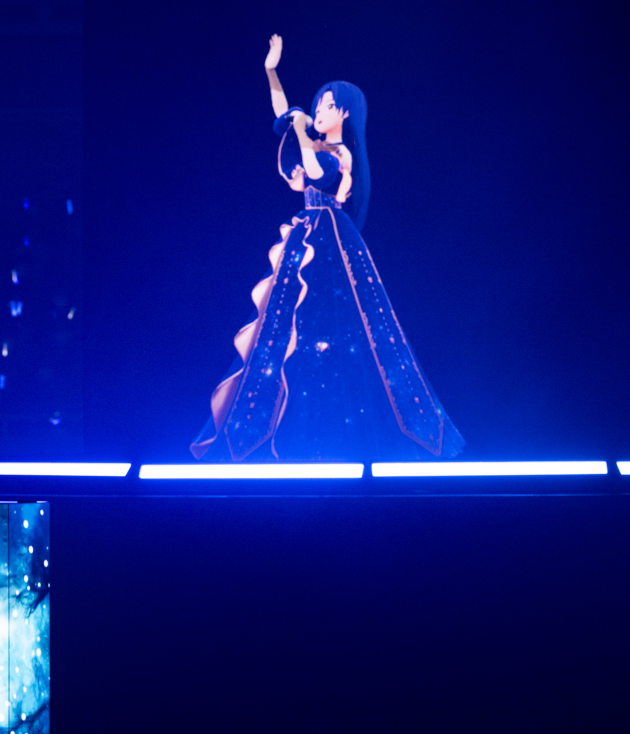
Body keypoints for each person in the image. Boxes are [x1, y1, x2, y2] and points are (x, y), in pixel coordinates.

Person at [190, 35, 465, 461]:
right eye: (317, 106)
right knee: (287, 327)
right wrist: (271, 71)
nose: (318, 112)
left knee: (345, 326)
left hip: (333, 240)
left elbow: (317, 171)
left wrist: (302, 129)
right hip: (306, 236)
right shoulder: (314, 142)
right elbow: (283, 114)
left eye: (327, 106)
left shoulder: (341, 153)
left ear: (345, 113)